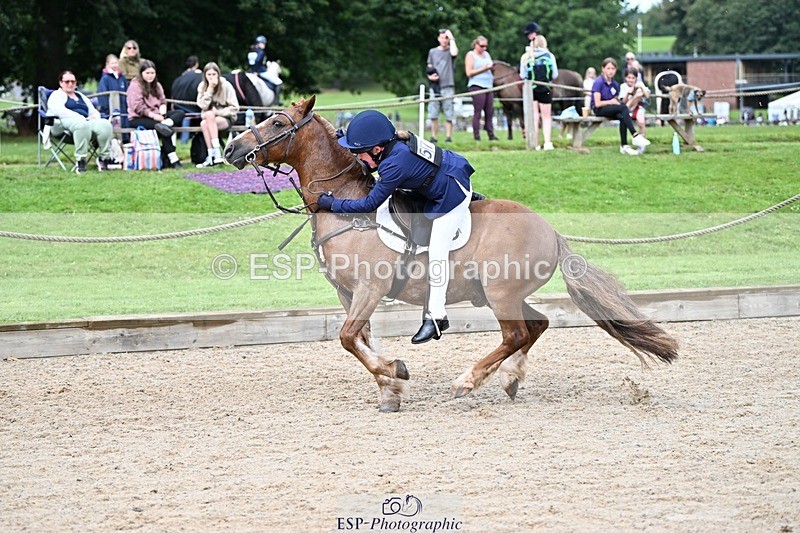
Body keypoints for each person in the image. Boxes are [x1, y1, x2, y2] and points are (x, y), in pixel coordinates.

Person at [316, 110, 474, 344]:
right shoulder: (391, 144)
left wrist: (332, 203)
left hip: (451, 192)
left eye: (360, 153)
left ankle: (436, 317)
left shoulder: (393, 165)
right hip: (435, 178)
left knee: (438, 250)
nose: (357, 158)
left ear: (377, 150)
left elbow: (368, 204)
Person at [47, 70, 115, 174]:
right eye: (67, 81)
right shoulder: (56, 95)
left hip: (86, 122)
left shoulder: (81, 96)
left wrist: (94, 117)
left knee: (105, 125)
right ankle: (81, 161)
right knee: (81, 124)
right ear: (61, 83)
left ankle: (103, 158)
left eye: (73, 82)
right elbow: (59, 111)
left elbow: (94, 111)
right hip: (61, 124)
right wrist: (81, 118)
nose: (70, 84)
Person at [127, 60, 186, 169]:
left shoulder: (157, 85)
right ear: (142, 73)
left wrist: (163, 110)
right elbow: (137, 107)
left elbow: (163, 101)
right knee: (161, 129)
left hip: (158, 116)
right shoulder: (135, 85)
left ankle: (166, 123)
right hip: (139, 117)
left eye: (152, 73)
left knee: (180, 113)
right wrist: (154, 116)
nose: (150, 76)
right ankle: (174, 159)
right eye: (147, 73)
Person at [591, 58, 650, 156]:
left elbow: (616, 100)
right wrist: (611, 102)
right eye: (608, 68)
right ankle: (635, 135)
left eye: (613, 69)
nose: (610, 71)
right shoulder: (598, 82)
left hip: (610, 107)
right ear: (603, 69)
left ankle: (624, 146)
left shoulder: (615, 84)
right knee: (623, 108)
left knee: (622, 115)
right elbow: (597, 104)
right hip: (599, 109)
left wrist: (617, 102)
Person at [195, 62, 239, 168]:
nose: (211, 77)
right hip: (209, 119)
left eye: (214, 74)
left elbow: (234, 108)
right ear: (205, 75)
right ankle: (212, 155)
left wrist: (218, 112)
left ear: (218, 74)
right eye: (209, 75)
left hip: (226, 118)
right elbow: (202, 105)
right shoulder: (202, 86)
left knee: (209, 116)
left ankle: (216, 153)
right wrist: (209, 89)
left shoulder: (226, 85)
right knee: (204, 123)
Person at [520, 34, 558, 150]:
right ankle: (547, 142)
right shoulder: (549, 56)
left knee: (534, 116)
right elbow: (555, 74)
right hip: (545, 89)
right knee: (546, 117)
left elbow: (522, 75)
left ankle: (535, 143)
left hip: (531, 90)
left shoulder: (526, 57)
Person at [426, 28, 459, 143]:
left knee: (449, 112)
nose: (444, 40)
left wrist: (452, 38)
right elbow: (429, 68)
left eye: (446, 38)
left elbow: (455, 53)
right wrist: (430, 77)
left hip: (448, 85)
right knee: (433, 113)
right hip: (435, 86)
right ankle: (434, 136)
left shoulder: (450, 50)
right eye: (442, 37)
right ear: (438, 38)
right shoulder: (432, 52)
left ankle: (448, 137)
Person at [465, 35, 497, 141]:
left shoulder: (486, 54)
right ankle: (477, 136)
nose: (484, 48)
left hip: (489, 86)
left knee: (489, 112)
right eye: (482, 46)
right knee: (478, 112)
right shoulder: (471, 55)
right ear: (476, 44)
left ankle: (491, 135)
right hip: (477, 86)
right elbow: (469, 72)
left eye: (486, 46)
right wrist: (484, 68)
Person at [619, 67, 651, 151]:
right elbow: (623, 102)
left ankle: (642, 145)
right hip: (627, 108)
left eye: (633, 78)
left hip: (638, 107)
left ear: (636, 78)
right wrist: (629, 93)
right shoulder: (623, 86)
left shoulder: (639, 84)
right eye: (629, 78)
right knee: (637, 95)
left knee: (641, 122)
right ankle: (625, 144)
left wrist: (641, 87)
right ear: (625, 78)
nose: (631, 80)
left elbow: (647, 96)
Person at [247, 35, 283, 105]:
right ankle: (276, 101)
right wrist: (256, 71)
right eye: (263, 43)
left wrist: (253, 70)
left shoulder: (251, 51)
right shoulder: (261, 52)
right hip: (260, 71)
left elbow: (249, 63)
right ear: (258, 43)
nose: (264, 45)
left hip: (251, 71)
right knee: (279, 82)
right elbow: (257, 61)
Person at [96, 54, 129, 129]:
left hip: (123, 109)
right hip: (111, 110)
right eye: (112, 63)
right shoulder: (105, 78)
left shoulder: (122, 77)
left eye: (116, 63)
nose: (114, 65)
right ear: (107, 64)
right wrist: (107, 109)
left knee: (125, 129)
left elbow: (127, 92)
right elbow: (102, 95)